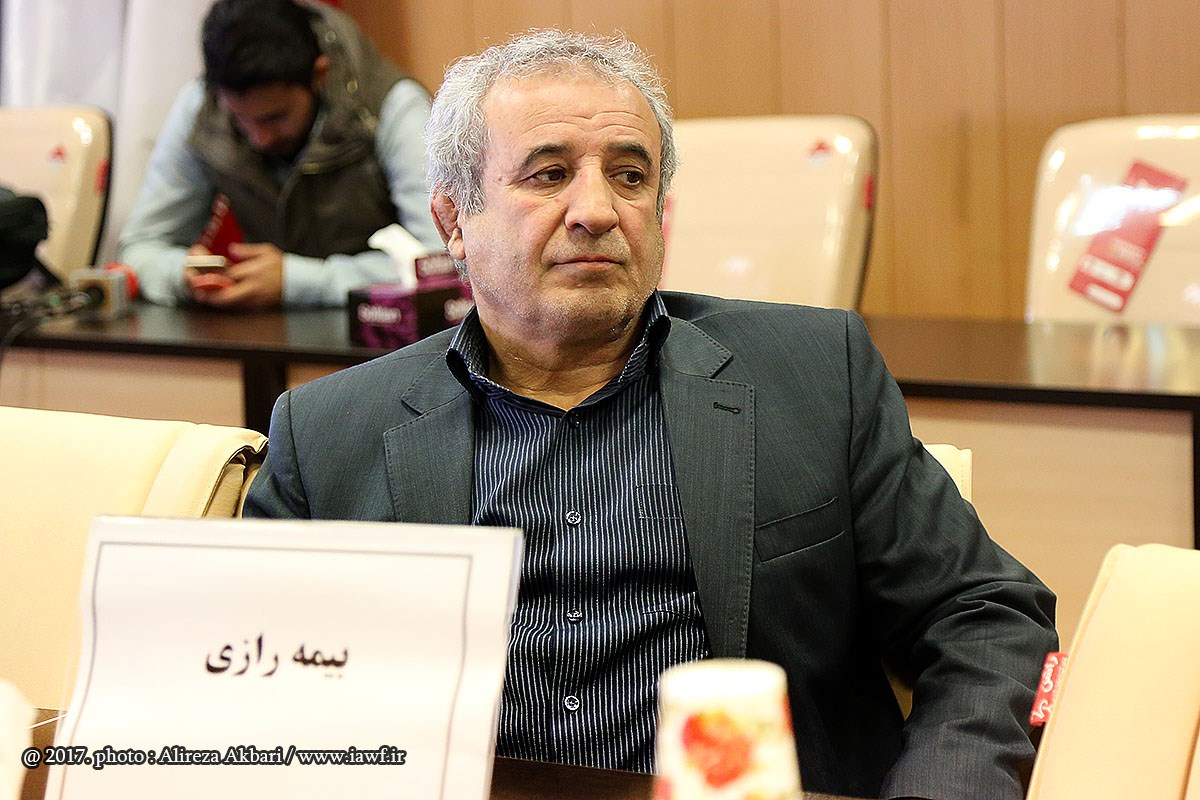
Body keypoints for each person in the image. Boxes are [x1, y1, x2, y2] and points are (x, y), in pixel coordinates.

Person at [243, 29, 1058, 799]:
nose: (597, 210)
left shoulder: (814, 376)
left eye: (630, 176)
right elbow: (248, 694)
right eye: (549, 174)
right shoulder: (328, 436)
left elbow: (988, 618)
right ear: (454, 220)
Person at [117, 0, 442, 310]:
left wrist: (300, 281)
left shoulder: (394, 107)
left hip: (385, 333)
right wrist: (181, 274)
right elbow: (140, 247)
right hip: (264, 334)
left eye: (275, 117)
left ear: (319, 75)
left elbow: (442, 261)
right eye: (239, 119)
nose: (259, 138)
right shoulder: (202, 107)